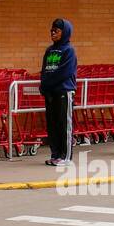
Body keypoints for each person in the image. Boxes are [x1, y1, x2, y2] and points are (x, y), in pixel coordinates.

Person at [40, 19, 77, 169]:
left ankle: (66, 156)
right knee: (52, 125)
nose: (53, 33)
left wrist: (48, 83)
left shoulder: (69, 50)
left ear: (65, 32)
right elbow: (44, 70)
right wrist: (44, 86)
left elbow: (64, 72)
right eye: (52, 30)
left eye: (57, 30)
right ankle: (55, 154)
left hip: (63, 91)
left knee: (64, 125)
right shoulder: (49, 51)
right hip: (50, 93)